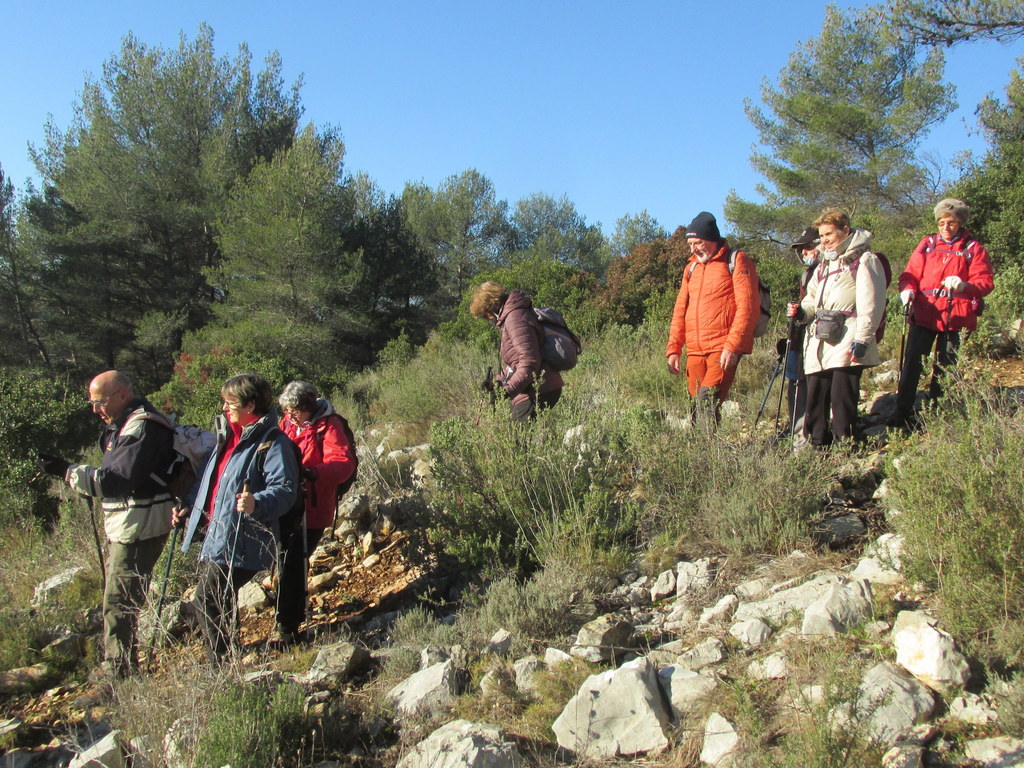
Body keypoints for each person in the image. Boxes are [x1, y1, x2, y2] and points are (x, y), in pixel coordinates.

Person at [37, 370, 176, 679]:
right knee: (119, 598)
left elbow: (116, 481)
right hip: (130, 524)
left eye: (99, 402)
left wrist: (66, 471)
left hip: (139, 526)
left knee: (119, 601)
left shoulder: (141, 426)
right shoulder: (125, 425)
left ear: (121, 395)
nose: (95, 409)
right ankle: (121, 666)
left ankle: (118, 673)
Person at [178, 374, 298, 663]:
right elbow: (211, 482)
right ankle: (227, 655)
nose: (223, 408)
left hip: (244, 536)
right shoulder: (230, 437)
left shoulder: (272, 442)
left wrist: (257, 502)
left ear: (250, 405)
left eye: (230, 403)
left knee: (208, 596)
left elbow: (285, 489)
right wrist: (188, 508)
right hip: (221, 532)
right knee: (218, 595)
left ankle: (220, 664)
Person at [786, 209, 886, 447]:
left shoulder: (865, 260)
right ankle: (819, 447)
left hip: (848, 336)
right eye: (822, 236)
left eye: (829, 233)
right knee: (816, 398)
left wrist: (862, 339)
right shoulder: (823, 265)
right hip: (819, 338)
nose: (825, 240)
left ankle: (846, 447)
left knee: (842, 399)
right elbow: (811, 300)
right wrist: (801, 311)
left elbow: (871, 304)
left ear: (845, 231)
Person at [891, 198, 994, 429]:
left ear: (960, 223)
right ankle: (902, 412)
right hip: (925, 312)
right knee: (913, 363)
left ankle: (937, 416)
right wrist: (907, 290)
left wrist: (964, 286)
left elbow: (985, 282)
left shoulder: (973, 248)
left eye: (951, 222)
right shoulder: (927, 244)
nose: (945, 227)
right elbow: (910, 273)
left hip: (957, 317)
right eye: (941, 222)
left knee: (946, 367)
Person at [275, 381, 357, 644]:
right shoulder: (286, 423)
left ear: (308, 406)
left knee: (294, 563)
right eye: (287, 410)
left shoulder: (329, 426)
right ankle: (285, 615)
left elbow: (343, 464)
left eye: (295, 409)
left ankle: (289, 625)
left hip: (313, 506)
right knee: (284, 558)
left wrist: (313, 474)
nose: (291, 414)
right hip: (286, 503)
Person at [665, 211, 760, 424]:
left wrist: (733, 346)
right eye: (690, 244)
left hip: (722, 346)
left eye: (698, 243)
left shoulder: (737, 260)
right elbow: (680, 310)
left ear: (712, 240)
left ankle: (709, 456)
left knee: (707, 400)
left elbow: (748, 307)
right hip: (696, 349)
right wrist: (674, 349)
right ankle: (700, 454)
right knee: (695, 408)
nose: (694, 249)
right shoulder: (691, 268)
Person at [469, 281, 563, 422]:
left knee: (516, 440)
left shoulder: (515, 319)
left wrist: (506, 391)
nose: (488, 320)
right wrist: (496, 383)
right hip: (532, 388)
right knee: (515, 437)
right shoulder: (512, 318)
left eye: (485, 315)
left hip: (541, 389)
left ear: (490, 309)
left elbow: (529, 362)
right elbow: (515, 364)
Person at [783, 227, 820, 442]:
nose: (805, 253)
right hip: (800, 334)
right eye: (802, 249)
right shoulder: (807, 273)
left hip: (821, 336)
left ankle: (808, 434)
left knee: (813, 382)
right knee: (795, 380)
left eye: (808, 247)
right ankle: (798, 432)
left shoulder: (829, 269)